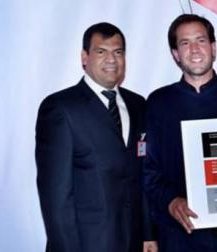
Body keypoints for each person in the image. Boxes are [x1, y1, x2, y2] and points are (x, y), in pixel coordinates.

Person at [35, 22, 157, 252]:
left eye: (118, 52)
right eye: (101, 51)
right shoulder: (60, 108)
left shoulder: (138, 104)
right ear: (84, 57)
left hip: (134, 242)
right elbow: (55, 197)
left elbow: (142, 176)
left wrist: (148, 233)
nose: (112, 60)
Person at [143, 14, 217, 252]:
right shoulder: (158, 102)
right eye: (185, 43)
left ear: (213, 48)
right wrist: (171, 201)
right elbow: (149, 171)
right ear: (175, 54)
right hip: (178, 234)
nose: (194, 49)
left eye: (201, 40)